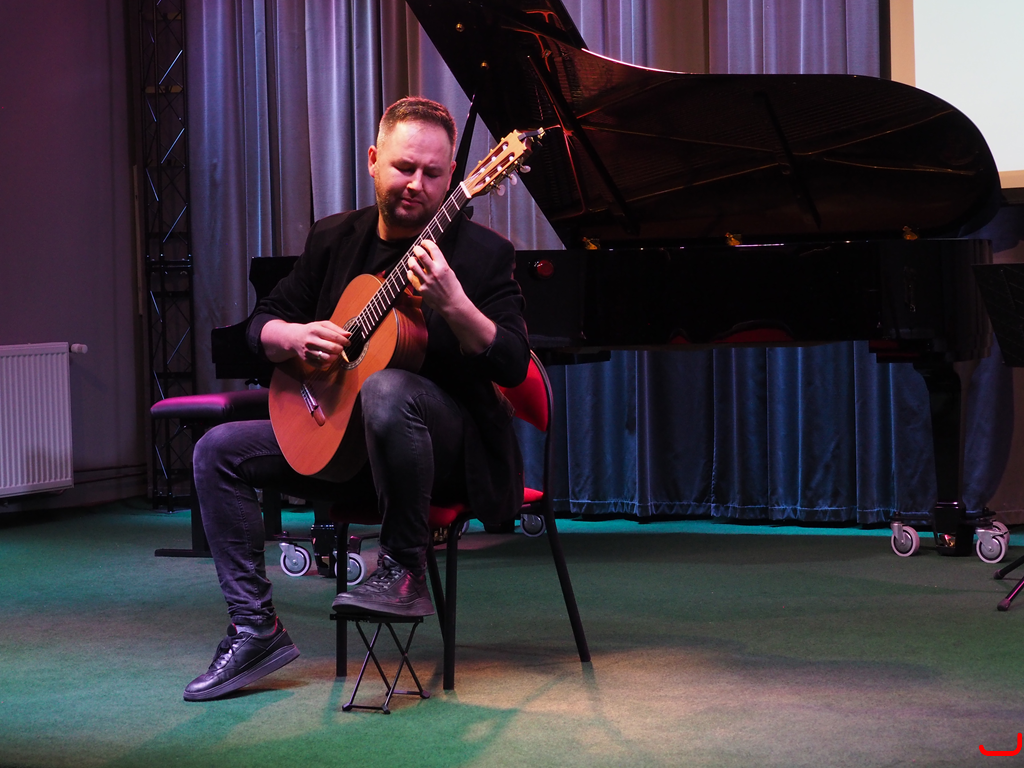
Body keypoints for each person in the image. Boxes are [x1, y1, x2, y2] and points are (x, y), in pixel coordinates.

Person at [183, 97, 529, 702]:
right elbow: (259, 325)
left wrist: (456, 305)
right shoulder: (333, 239)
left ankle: (402, 570)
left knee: (387, 388)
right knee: (217, 451)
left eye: (433, 173)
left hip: (443, 455)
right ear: (373, 160)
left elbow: (513, 362)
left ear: (456, 175)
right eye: (403, 167)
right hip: (349, 446)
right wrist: (291, 336)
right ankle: (255, 628)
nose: (416, 184)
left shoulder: (481, 256)